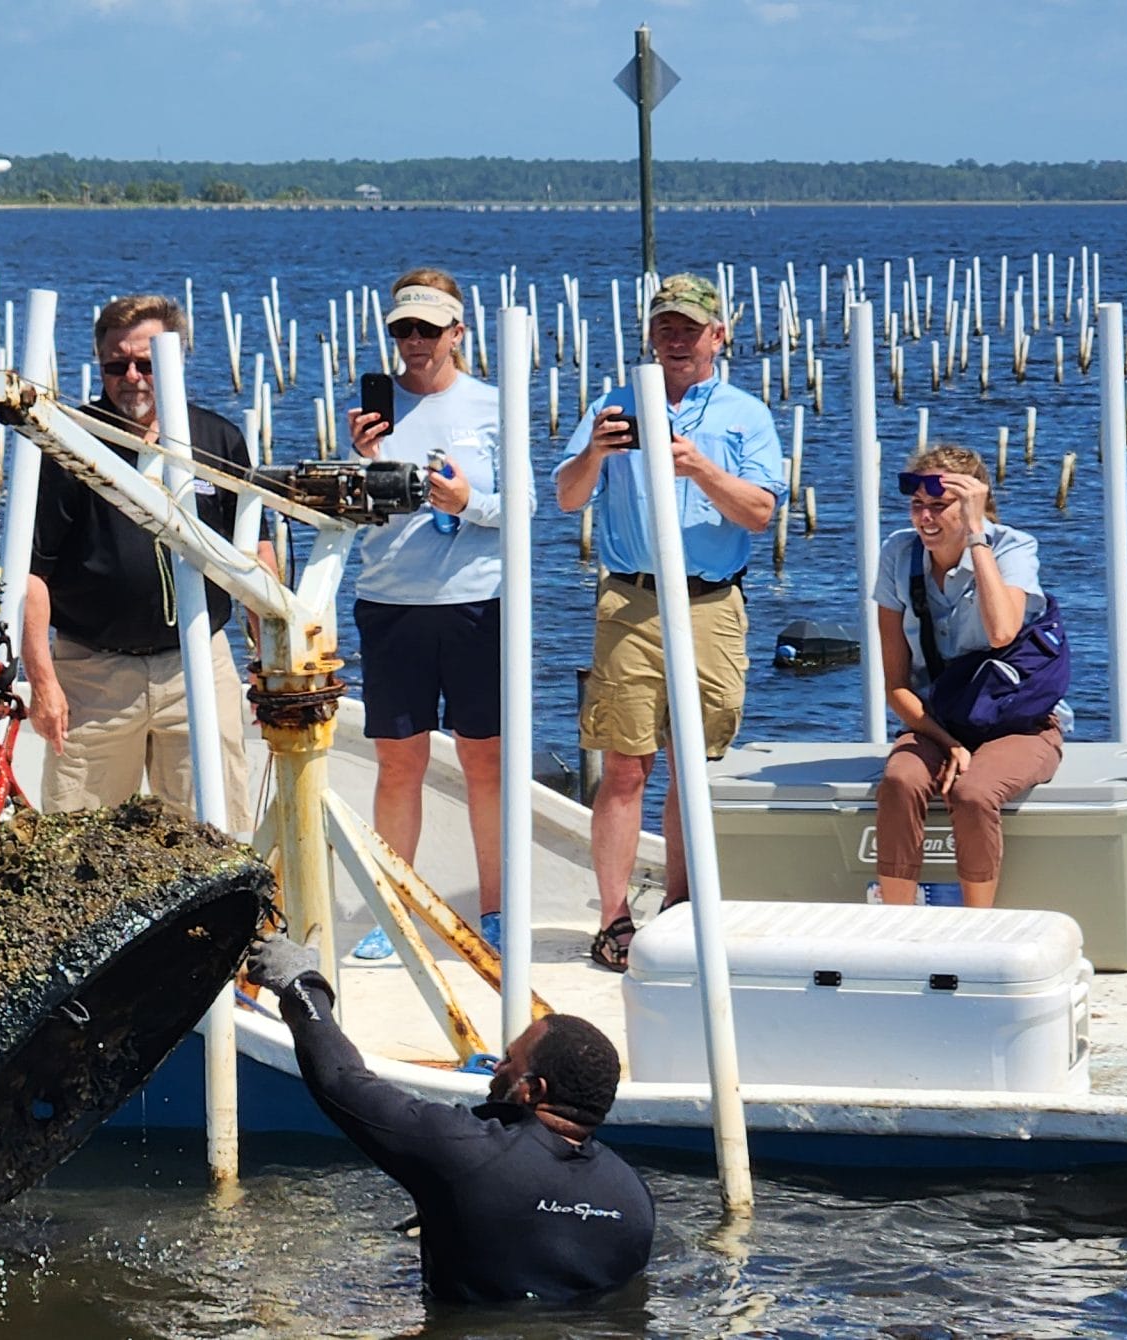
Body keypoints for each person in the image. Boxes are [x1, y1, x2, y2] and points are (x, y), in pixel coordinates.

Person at [552, 274, 785, 972]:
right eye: (665, 327)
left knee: (691, 766)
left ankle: (681, 907)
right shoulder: (612, 405)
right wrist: (595, 452)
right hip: (631, 600)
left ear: (720, 335)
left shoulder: (747, 414)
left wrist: (700, 469)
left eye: (690, 327)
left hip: (711, 603)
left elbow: (762, 513)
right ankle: (614, 915)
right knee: (625, 765)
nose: (676, 339)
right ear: (650, 336)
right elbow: (566, 498)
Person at [245, 934, 656, 1303]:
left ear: (534, 1090)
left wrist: (301, 984)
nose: (496, 1068)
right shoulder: (634, 1195)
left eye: (509, 1061)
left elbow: (342, 1082)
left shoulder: (468, 1153)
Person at [22, 293, 258, 825]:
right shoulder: (68, 444)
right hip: (94, 676)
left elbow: (252, 556)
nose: (131, 376)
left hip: (198, 664)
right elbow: (32, 573)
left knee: (215, 839)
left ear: (176, 360)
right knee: (78, 846)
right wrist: (43, 683)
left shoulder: (218, 440)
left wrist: (269, 659)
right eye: (116, 365)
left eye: (146, 363)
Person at [342, 268, 520, 960]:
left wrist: (467, 503)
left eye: (427, 329)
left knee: (486, 761)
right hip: (391, 603)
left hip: (476, 602)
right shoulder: (377, 414)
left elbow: (523, 510)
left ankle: (499, 906)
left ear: (456, 332)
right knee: (398, 764)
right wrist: (363, 465)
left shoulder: (490, 405)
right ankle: (395, 907)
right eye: (402, 330)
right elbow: (354, 514)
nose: (413, 342)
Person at [873, 446, 1068, 906]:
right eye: (917, 505)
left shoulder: (1013, 548)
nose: (925, 518)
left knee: (975, 792)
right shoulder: (898, 553)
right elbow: (896, 686)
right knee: (901, 780)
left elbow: (1002, 632)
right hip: (938, 720)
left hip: (1020, 723)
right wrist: (949, 742)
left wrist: (977, 536)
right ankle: (894, 923)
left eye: (939, 506)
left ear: (972, 505)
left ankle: (977, 927)